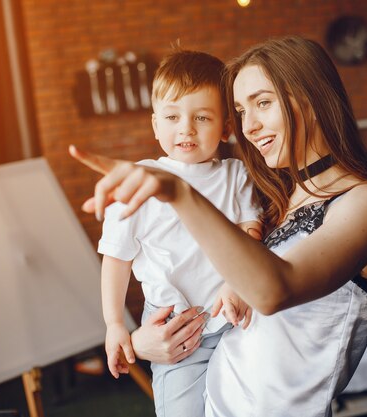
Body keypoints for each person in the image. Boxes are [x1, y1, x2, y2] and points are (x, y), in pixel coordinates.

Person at [71, 35, 367, 417]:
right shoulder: (277, 194)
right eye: (242, 112)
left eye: (263, 103)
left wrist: (178, 191)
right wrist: (141, 341)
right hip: (212, 396)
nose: (250, 126)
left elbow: (271, 290)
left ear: (312, 99)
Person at [92, 48, 262, 417]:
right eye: (172, 117)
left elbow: (252, 229)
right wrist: (114, 323)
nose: (185, 128)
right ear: (156, 126)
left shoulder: (236, 176)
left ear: (226, 127)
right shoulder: (140, 180)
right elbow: (116, 259)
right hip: (177, 329)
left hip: (237, 316)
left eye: (202, 117)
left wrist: (238, 283)